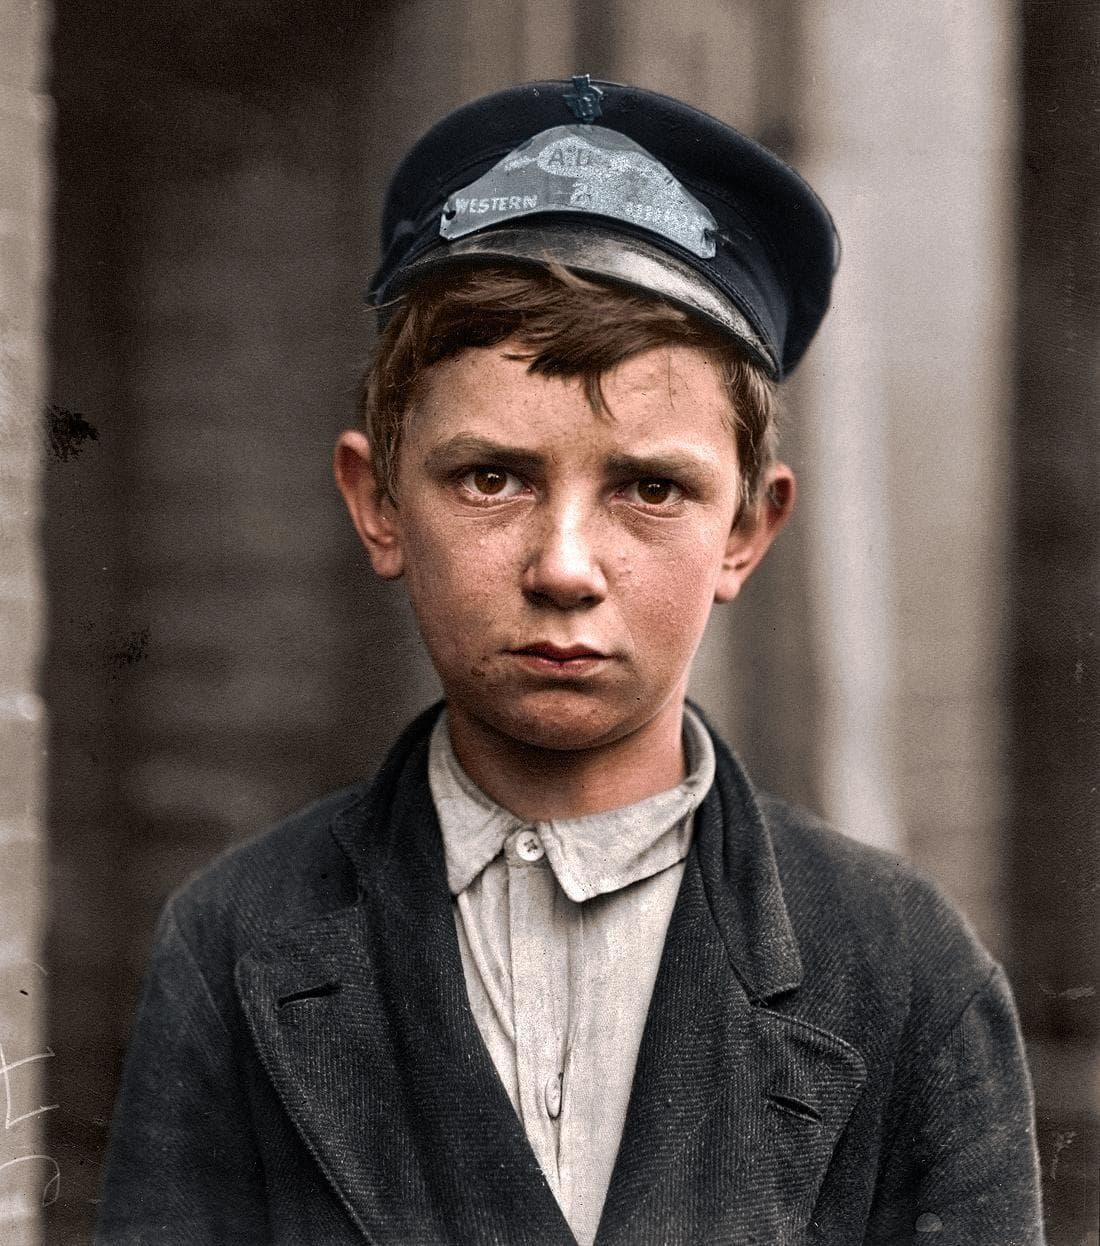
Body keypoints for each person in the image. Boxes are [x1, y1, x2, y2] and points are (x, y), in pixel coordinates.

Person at [96, 78, 1044, 1245]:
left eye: (648, 487)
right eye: (490, 477)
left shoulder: (901, 970)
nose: (562, 566)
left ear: (745, 531)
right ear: (378, 501)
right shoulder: (237, 940)